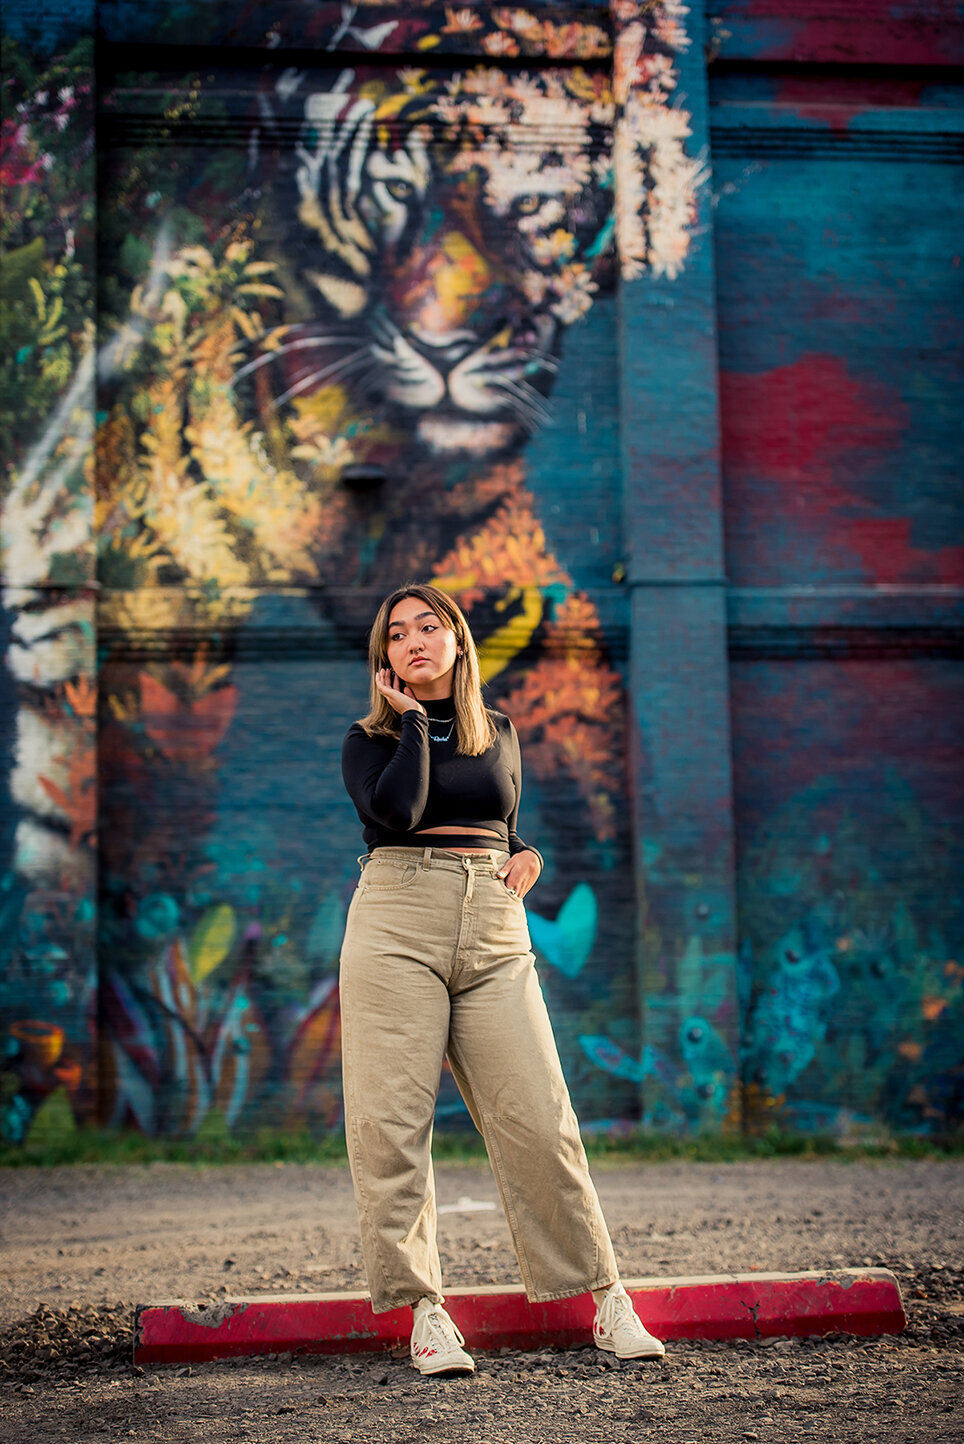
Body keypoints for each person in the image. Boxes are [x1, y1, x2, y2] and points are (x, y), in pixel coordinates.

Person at [339, 582, 665, 1375]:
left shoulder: (502, 733)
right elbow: (399, 811)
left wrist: (528, 853)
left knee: (540, 1114)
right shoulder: (369, 739)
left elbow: (503, 823)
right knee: (392, 1125)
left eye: (429, 626)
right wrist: (414, 720)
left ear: (457, 637)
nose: (414, 641)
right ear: (385, 659)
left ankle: (605, 1294)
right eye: (397, 635)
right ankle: (424, 1312)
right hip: (396, 921)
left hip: (492, 923)